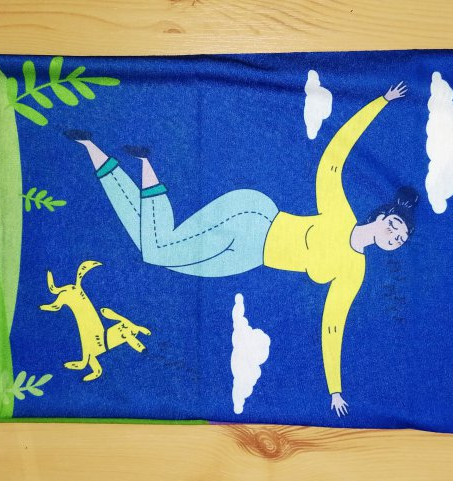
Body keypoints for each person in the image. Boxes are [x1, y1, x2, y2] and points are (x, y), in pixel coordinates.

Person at [66, 82, 416, 416]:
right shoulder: (340, 213)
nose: (393, 236)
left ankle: (105, 154)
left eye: (399, 239)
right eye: (394, 226)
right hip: (252, 218)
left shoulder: (354, 272)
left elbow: (333, 325)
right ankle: (134, 162)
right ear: (382, 215)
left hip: (248, 257)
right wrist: (380, 102)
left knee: (155, 249)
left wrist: (335, 389)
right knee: (157, 250)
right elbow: (335, 156)